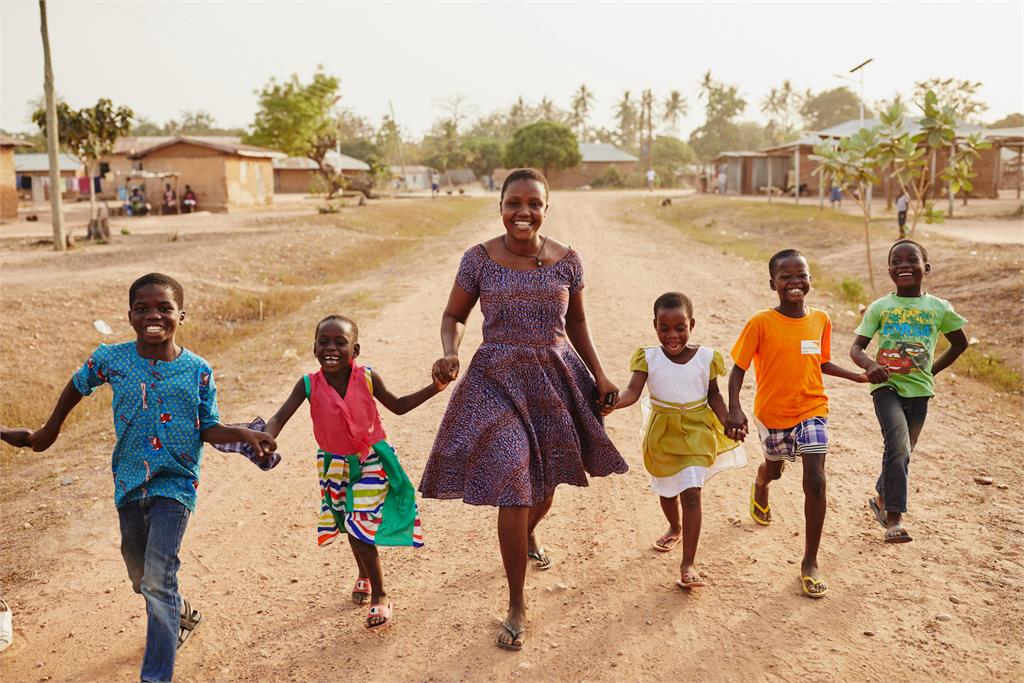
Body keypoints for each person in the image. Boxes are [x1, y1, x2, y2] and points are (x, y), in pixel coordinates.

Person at [5, 273, 276, 682]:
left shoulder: (198, 370)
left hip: (176, 484)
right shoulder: (112, 360)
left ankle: (156, 676)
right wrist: (46, 433)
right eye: (143, 308)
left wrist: (242, 434)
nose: (154, 315)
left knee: (157, 575)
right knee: (141, 576)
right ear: (129, 316)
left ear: (180, 315)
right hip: (129, 484)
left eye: (164, 308)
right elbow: (78, 385)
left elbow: (208, 427)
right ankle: (180, 613)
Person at [420, 168, 627, 651]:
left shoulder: (568, 261)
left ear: (546, 208)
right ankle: (517, 601)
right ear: (500, 206)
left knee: (546, 483)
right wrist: (450, 349)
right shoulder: (478, 260)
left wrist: (600, 374)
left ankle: (528, 535)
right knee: (514, 483)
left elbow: (576, 321)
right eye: (514, 202)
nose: (523, 212)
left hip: (554, 377)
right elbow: (454, 315)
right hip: (496, 378)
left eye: (534, 203)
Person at [258, 315, 448, 629]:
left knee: (359, 528)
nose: (330, 348)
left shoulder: (368, 377)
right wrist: (265, 437)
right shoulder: (307, 384)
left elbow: (398, 406)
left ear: (355, 349)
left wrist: (436, 387)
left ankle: (381, 595)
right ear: (314, 348)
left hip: (371, 458)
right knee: (347, 522)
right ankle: (363, 575)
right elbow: (279, 417)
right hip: (332, 464)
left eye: (340, 342)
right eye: (324, 342)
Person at [725, 249, 867, 599]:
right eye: (785, 277)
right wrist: (734, 408)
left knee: (815, 479)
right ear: (772, 283)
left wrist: (857, 377)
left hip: (812, 408)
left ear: (810, 279)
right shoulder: (761, 322)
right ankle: (761, 485)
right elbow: (738, 369)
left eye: (800, 275)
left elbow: (822, 363)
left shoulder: (821, 319)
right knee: (773, 469)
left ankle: (809, 562)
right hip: (772, 413)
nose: (794, 282)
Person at [607, 292, 747, 589]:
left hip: (697, 430)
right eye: (664, 328)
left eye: (680, 328)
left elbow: (713, 395)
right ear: (654, 326)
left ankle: (688, 564)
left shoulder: (708, 357)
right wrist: (612, 403)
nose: (673, 335)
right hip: (662, 433)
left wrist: (729, 421)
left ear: (691, 324)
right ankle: (674, 525)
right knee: (667, 491)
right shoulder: (648, 357)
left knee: (692, 493)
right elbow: (632, 392)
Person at [850, 240, 967, 544]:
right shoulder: (881, 307)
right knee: (899, 444)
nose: (903, 265)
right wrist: (870, 364)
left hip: (920, 391)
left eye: (911, 260)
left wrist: (931, 371)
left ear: (925, 268)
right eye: (895, 261)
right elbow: (857, 348)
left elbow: (960, 343)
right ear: (889, 269)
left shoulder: (939, 308)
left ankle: (880, 497)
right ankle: (894, 519)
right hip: (886, 387)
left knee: (903, 449)